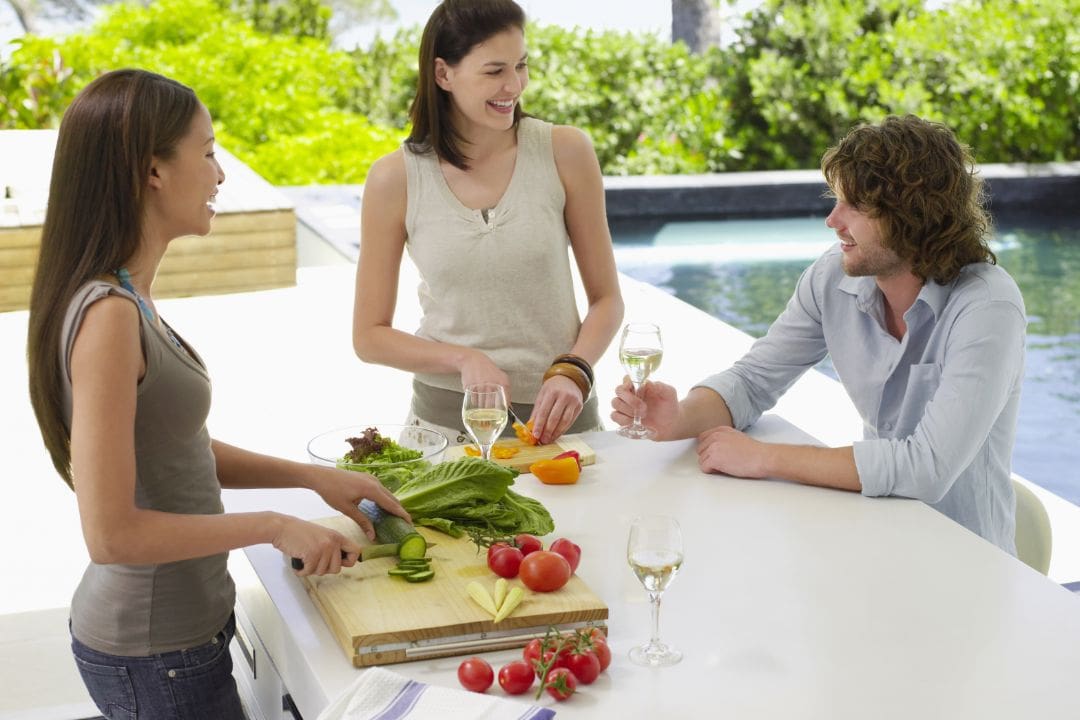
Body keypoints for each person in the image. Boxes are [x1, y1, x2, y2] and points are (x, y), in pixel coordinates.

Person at [25, 69, 410, 719]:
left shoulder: (124, 293)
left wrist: (313, 479)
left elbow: (174, 444)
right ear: (153, 170)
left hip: (177, 640)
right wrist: (272, 525)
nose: (221, 174)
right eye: (207, 153)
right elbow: (110, 535)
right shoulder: (110, 315)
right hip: (156, 651)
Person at [612, 115, 1026, 555]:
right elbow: (754, 381)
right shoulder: (833, 277)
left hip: (968, 565)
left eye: (857, 207)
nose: (833, 220)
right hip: (879, 537)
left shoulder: (987, 307)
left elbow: (927, 467)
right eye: (837, 200)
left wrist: (764, 458)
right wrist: (677, 418)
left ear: (914, 216)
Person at [353, 0, 623, 446]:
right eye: (494, 70)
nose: (513, 85)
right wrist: (463, 359)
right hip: (444, 429)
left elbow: (607, 299)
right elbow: (369, 337)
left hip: (560, 423)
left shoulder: (565, 151)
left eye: (521, 65)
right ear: (444, 74)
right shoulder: (395, 178)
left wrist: (573, 371)